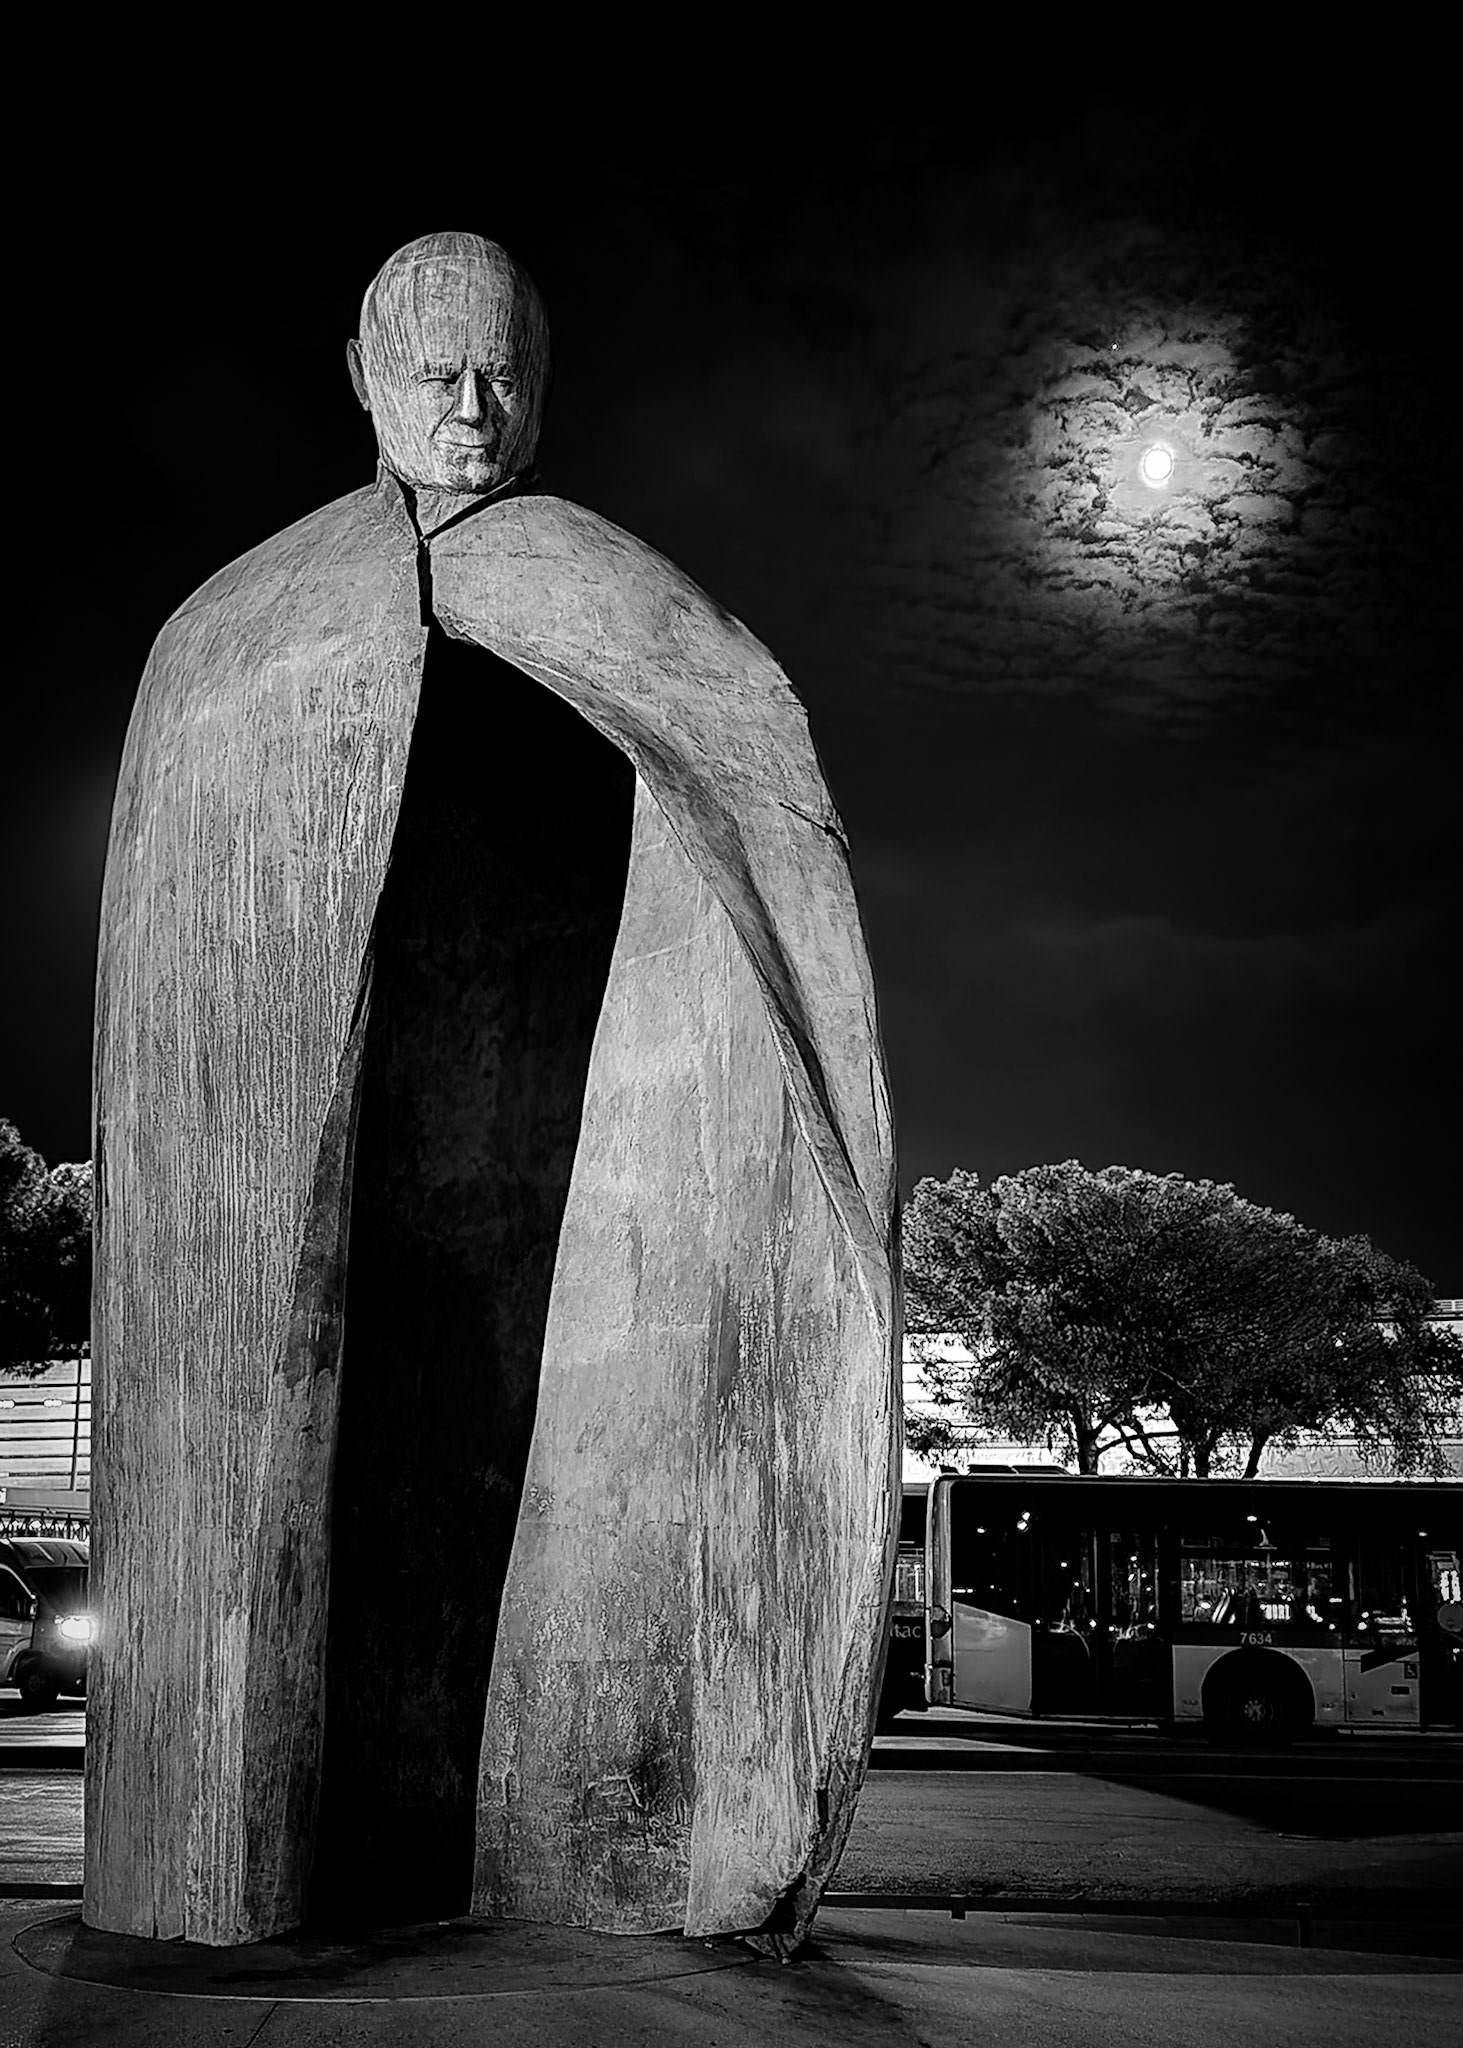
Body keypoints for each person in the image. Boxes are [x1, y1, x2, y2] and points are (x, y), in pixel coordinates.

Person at [88, 233, 899, 1954]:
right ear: (366, 380)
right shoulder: (234, 635)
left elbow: (772, 877)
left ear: (543, 385)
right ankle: (231, 1847)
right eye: (436, 370)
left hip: (571, 1202)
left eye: (501, 369)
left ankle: (654, 1846)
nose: (472, 404)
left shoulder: (642, 611)